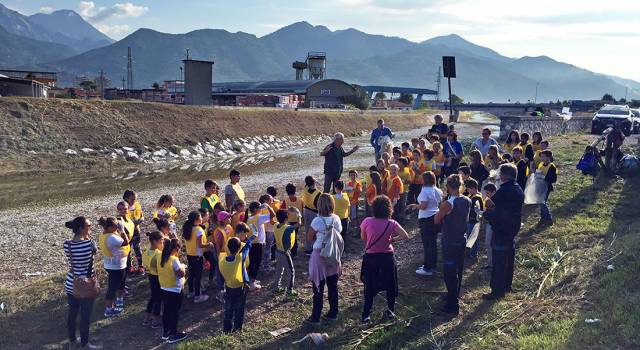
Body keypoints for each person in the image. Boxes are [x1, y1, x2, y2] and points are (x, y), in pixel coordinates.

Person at [359, 195, 410, 323]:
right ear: (389, 209)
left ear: (374, 208)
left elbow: (363, 238)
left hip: (371, 257)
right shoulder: (391, 223)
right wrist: (392, 239)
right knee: (390, 284)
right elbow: (405, 236)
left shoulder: (367, 221)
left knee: (369, 285)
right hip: (387, 256)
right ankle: (391, 310)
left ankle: (366, 314)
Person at [483, 164, 524, 300]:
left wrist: (486, 215)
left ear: (505, 175)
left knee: (499, 260)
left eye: (501, 173)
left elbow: (497, 211)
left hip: (502, 229)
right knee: (508, 258)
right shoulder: (518, 189)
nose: (499, 176)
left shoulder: (504, 191)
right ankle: (507, 285)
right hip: (512, 228)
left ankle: (497, 291)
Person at [434, 175, 471, 315]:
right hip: (461, 238)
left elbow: (437, 220)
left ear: (448, 187)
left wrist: (439, 210)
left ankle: (452, 304)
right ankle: (454, 294)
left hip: (449, 240)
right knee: (459, 269)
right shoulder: (467, 200)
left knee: (449, 272)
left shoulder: (448, 204)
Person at [306, 194, 344, 325]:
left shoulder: (317, 221)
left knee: (318, 288)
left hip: (319, 255)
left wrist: (319, 238)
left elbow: (309, 238)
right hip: (333, 255)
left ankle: (316, 317)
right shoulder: (336, 219)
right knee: (333, 286)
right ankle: (333, 313)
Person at [64, 217, 100, 349]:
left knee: (72, 314)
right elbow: (95, 253)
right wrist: (89, 239)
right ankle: (85, 344)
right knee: (85, 316)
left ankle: (72, 342)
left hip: (71, 284)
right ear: (81, 228)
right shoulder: (89, 243)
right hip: (86, 285)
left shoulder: (66, 244)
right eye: (88, 226)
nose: (90, 228)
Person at [219, 233, 255, 333]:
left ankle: (226, 330)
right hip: (240, 288)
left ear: (228, 247)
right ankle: (237, 329)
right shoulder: (240, 258)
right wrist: (251, 239)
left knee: (228, 310)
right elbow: (247, 248)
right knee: (239, 309)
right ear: (239, 248)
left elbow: (221, 277)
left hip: (229, 288)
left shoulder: (222, 261)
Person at [408, 171, 442, 276]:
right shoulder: (438, 190)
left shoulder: (425, 191)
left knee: (427, 244)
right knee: (432, 243)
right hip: (435, 216)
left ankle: (428, 268)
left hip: (426, 218)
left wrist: (414, 205)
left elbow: (423, 206)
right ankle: (432, 265)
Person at [157, 238, 188, 343]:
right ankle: (173, 334)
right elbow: (181, 274)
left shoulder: (160, 256)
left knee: (166, 311)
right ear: (175, 248)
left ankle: (166, 333)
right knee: (174, 312)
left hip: (164, 287)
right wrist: (183, 267)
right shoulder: (174, 260)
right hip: (175, 289)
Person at [97, 217, 129, 317]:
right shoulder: (111, 237)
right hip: (115, 266)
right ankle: (108, 309)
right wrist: (122, 229)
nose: (117, 228)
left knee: (121, 283)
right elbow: (126, 242)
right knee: (112, 287)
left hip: (115, 264)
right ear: (110, 227)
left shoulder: (105, 234)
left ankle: (119, 301)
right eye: (116, 226)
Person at [182, 211, 213, 303]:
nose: (201, 219)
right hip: (197, 256)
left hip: (190, 255)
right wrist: (209, 244)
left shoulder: (188, 228)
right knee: (198, 276)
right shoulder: (198, 230)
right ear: (196, 219)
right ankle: (198, 296)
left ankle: (191, 292)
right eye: (200, 217)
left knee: (191, 275)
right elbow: (200, 245)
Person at [246, 201, 275, 289]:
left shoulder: (249, 218)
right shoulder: (258, 218)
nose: (261, 209)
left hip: (251, 243)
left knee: (252, 262)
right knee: (257, 262)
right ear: (255, 209)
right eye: (259, 208)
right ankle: (252, 282)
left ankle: (250, 279)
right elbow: (272, 215)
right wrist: (268, 207)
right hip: (258, 244)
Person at [274, 209, 299, 297]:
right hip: (285, 254)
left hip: (277, 251)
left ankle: (276, 287)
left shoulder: (276, 225)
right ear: (286, 219)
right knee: (291, 271)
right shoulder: (287, 228)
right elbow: (298, 225)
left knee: (279, 270)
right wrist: (298, 215)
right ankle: (289, 291)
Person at [142, 231, 164, 328]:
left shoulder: (146, 251)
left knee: (153, 297)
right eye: (162, 240)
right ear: (155, 241)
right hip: (158, 277)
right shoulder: (158, 254)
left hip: (151, 276)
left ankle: (147, 317)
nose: (163, 242)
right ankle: (156, 319)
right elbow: (161, 268)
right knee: (158, 298)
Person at [123, 190, 144, 275]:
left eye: (135, 199)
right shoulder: (124, 206)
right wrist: (132, 222)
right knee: (127, 249)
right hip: (127, 232)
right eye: (132, 199)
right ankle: (129, 267)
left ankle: (140, 266)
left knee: (137, 248)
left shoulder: (137, 204)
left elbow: (141, 215)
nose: (134, 201)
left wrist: (141, 219)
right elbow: (122, 218)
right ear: (126, 198)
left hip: (136, 230)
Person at [281, 183, 304, 258]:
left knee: (289, 237)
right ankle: (294, 252)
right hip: (297, 221)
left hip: (289, 222)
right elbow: (303, 210)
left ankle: (290, 251)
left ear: (287, 191)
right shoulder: (300, 200)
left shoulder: (286, 201)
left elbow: (282, 211)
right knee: (295, 236)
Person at [536, 150, 557, 225]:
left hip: (546, 187)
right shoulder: (541, 164)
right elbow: (538, 172)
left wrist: (544, 178)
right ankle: (543, 218)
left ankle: (548, 218)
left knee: (542, 202)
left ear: (548, 157)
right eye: (541, 156)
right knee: (541, 202)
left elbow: (553, 179)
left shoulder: (551, 166)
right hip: (540, 186)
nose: (541, 157)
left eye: (543, 156)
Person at [302, 176, 322, 255]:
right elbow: (318, 206)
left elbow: (309, 182)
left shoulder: (306, 188)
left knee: (308, 230)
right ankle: (313, 249)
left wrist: (315, 181)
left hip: (306, 211)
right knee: (314, 231)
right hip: (314, 212)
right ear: (314, 183)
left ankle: (308, 248)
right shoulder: (318, 193)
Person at [465, 179, 484, 259]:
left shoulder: (476, 198)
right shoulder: (472, 196)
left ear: (473, 188)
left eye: (468, 189)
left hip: (473, 221)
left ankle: (473, 255)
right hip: (470, 220)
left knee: (473, 238)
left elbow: (474, 210)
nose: (468, 191)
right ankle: (470, 253)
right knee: (469, 237)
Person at [482, 184, 497, 271]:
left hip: (494, 226)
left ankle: (492, 264)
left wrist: (485, 215)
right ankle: (490, 262)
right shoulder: (489, 200)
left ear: (493, 192)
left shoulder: (496, 201)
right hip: (489, 224)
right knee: (488, 244)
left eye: (488, 193)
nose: (487, 195)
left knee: (490, 243)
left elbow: (493, 214)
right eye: (486, 193)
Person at [332, 181, 351, 247]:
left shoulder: (332, 197)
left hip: (336, 220)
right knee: (344, 236)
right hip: (345, 219)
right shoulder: (346, 196)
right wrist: (348, 216)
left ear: (335, 188)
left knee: (336, 236)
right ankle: (343, 249)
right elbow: (348, 207)